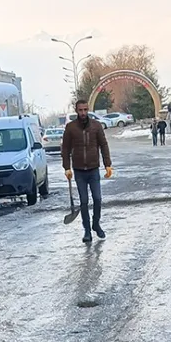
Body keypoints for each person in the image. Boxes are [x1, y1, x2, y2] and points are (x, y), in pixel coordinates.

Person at [62, 99, 113, 243]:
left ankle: (96, 224)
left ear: (88, 109)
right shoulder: (71, 128)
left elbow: (103, 145)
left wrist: (107, 164)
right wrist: (67, 167)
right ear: (76, 110)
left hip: (93, 169)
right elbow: (65, 148)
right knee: (84, 201)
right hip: (79, 171)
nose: (83, 113)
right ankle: (87, 231)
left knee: (97, 198)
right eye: (80, 110)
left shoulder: (96, 126)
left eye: (85, 110)